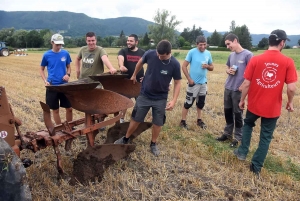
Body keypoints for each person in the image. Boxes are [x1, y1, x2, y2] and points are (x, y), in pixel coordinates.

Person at [233, 29, 297, 175]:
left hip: (254, 105)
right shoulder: (288, 61)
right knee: (266, 136)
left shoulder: (256, 59)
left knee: (248, 124)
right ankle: (256, 166)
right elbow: (292, 88)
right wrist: (290, 102)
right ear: (282, 42)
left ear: (269, 42)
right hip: (272, 108)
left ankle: (242, 152)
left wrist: (242, 100)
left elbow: (246, 83)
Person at [114, 40, 182, 156]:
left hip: (161, 97)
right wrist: (134, 74)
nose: (159, 57)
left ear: (169, 53)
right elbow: (140, 62)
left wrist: (174, 100)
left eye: (163, 56)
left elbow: (177, 82)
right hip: (145, 94)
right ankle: (126, 138)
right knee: (136, 118)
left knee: (158, 122)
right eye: (158, 54)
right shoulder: (150, 54)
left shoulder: (174, 64)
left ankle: (153, 143)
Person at [216, 33, 253, 148]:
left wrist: (243, 86)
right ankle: (227, 133)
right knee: (227, 112)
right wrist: (228, 71)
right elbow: (227, 67)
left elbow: (252, 74)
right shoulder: (231, 55)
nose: (227, 47)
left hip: (238, 90)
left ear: (235, 41)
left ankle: (238, 137)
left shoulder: (248, 55)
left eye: (229, 44)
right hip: (228, 87)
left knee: (238, 114)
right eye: (226, 44)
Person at [179, 35, 214, 130]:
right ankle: (183, 121)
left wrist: (207, 66)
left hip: (203, 83)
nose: (203, 47)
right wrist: (189, 79)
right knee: (188, 103)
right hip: (193, 83)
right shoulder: (192, 52)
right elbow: (184, 66)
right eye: (200, 45)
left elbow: (212, 67)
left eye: (204, 44)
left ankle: (199, 120)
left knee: (201, 103)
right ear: (196, 44)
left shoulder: (208, 53)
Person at [40, 33, 73, 125]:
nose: (59, 46)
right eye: (57, 44)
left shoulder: (65, 53)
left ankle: (70, 127)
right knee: (55, 110)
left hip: (64, 85)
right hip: (52, 86)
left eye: (60, 44)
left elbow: (69, 67)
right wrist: (45, 80)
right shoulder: (46, 55)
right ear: (52, 42)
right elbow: (41, 69)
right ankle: (60, 128)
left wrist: (68, 74)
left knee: (69, 108)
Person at [118, 34, 145, 123]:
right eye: (128, 40)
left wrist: (146, 76)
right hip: (126, 82)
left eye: (131, 41)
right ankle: (121, 119)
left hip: (139, 82)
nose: (128, 42)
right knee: (125, 101)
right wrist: (121, 66)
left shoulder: (142, 53)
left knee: (140, 102)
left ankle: (136, 120)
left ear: (136, 42)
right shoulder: (123, 51)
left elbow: (151, 64)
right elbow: (120, 58)